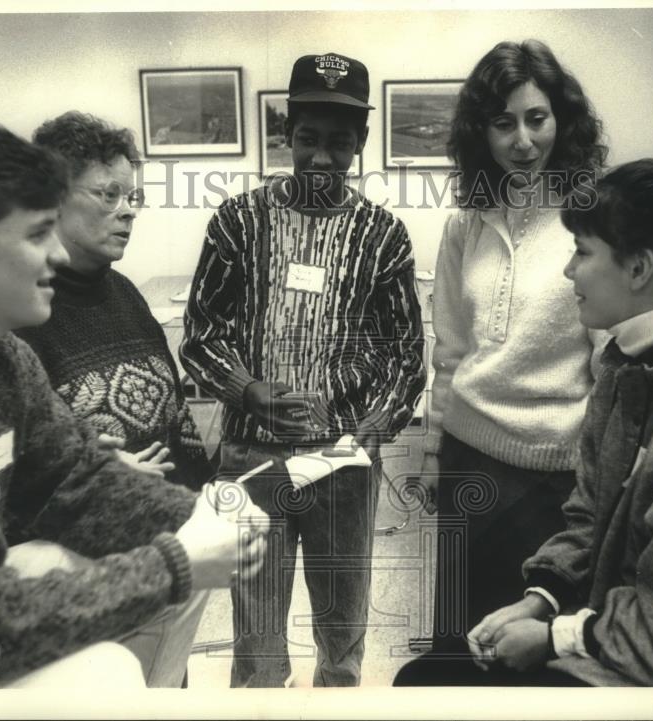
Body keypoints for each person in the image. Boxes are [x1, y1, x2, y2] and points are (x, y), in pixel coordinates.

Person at [0, 119, 267, 688]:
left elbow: (76, 476)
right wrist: (175, 564)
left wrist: (198, 518)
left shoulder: (4, 356)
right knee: (107, 671)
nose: (57, 254)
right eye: (36, 235)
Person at [397, 147, 653, 686]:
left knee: (428, 687)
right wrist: (541, 599)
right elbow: (592, 519)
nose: (569, 270)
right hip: (620, 655)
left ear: (638, 268)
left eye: (582, 252)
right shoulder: (628, 371)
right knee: (428, 677)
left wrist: (557, 637)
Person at [181, 52, 426, 687]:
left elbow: (405, 354)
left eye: (339, 144)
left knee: (343, 625)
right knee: (256, 628)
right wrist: (250, 391)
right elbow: (201, 336)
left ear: (361, 144)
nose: (322, 159)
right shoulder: (238, 221)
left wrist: (374, 427)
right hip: (251, 456)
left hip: (343, 459)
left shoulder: (384, 236)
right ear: (287, 134)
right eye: (309, 140)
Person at [413, 39, 608, 663]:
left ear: (562, 121)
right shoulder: (463, 225)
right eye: (503, 123)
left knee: (533, 650)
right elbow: (449, 352)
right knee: (463, 638)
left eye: (537, 118)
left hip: (555, 476)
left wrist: (603, 473)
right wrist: (431, 453)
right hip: (469, 461)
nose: (522, 140)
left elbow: (611, 360)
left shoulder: (594, 220)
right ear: (482, 133)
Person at [18, 111, 213, 492]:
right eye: (109, 195)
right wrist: (99, 477)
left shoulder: (124, 291)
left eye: (131, 196)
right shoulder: (21, 311)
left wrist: (205, 501)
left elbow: (178, 422)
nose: (128, 210)